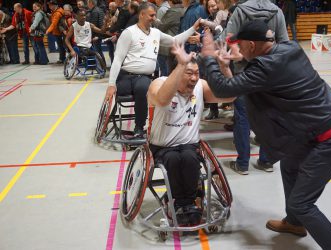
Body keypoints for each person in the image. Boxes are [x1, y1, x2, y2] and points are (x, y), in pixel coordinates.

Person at [200, 19, 331, 250]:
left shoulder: (264, 68)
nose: (238, 49)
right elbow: (260, 70)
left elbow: (223, 89)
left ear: (252, 45)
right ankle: (294, 223)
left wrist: (208, 57)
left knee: (303, 203)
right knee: (290, 165)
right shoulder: (290, 48)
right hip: (321, 130)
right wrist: (239, 61)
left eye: (240, 45)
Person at [147, 42, 234, 225]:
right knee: (172, 159)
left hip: (189, 145)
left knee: (189, 158)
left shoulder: (200, 87)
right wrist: (180, 65)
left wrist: (225, 68)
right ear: (176, 73)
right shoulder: (158, 84)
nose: (194, 78)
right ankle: (178, 203)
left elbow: (230, 95)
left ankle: (190, 201)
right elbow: (162, 100)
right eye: (189, 73)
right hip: (163, 146)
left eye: (197, 73)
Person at [105, 2, 203, 139]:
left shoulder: (156, 33)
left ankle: (139, 128)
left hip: (144, 78)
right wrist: (111, 84)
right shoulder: (129, 33)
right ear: (142, 14)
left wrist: (193, 28)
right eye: (151, 15)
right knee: (121, 91)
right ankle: (109, 120)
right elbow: (117, 60)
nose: (154, 18)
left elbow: (175, 40)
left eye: (155, 15)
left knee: (143, 89)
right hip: (126, 76)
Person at [222, 0, 289, 174]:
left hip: (243, 71)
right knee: (269, 115)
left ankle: (243, 163)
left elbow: (227, 39)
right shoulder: (277, 12)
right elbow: (284, 44)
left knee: (242, 117)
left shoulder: (240, 11)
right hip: (269, 73)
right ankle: (266, 161)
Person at [154, 0, 184, 74]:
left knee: (165, 73)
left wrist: (154, 19)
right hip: (177, 44)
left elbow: (161, 27)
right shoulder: (184, 9)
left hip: (167, 46)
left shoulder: (173, 11)